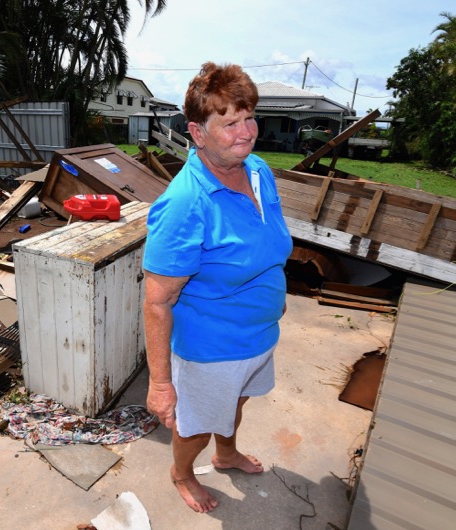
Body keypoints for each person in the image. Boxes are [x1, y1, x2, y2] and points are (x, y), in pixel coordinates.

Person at [142, 62, 294, 513]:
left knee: (239, 399)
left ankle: (226, 454)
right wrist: (160, 383)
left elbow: (267, 243)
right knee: (197, 424)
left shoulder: (259, 169)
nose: (246, 132)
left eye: (249, 118)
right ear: (197, 132)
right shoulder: (185, 204)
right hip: (212, 347)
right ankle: (182, 473)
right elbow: (157, 301)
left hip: (258, 335)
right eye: (229, 123)